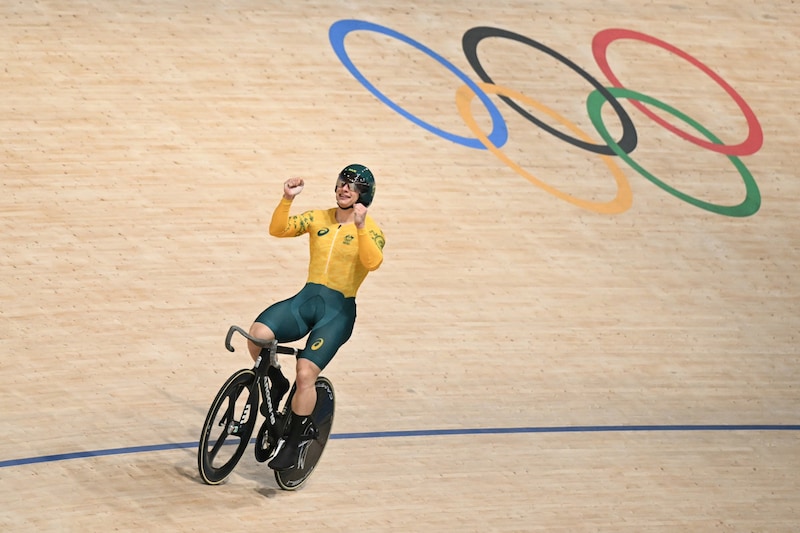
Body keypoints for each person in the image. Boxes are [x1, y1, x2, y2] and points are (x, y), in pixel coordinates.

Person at [246, 163, 385, 471]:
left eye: (353, 186)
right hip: (306, 300)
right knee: (257, 335)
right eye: (342, 183)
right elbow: (278, 230)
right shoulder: (318, 217)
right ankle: (276, 381)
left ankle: (295, 440)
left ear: (365, 195)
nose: (344, 189)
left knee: (306, 373)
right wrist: (287, 199)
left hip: (337, 313)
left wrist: (361, 228)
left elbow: (372, 262)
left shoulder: (372, 230)